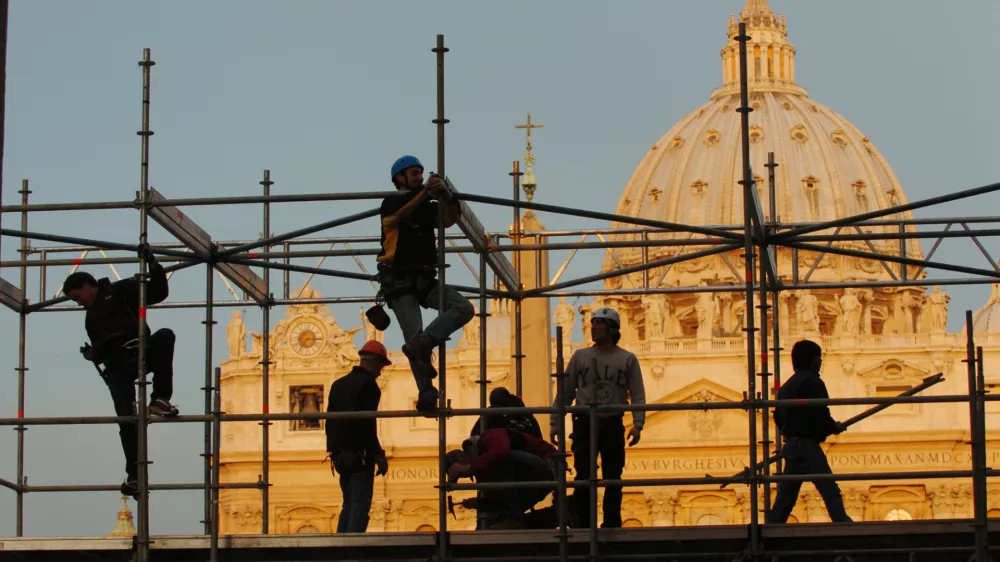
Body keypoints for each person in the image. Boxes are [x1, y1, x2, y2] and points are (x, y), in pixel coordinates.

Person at [62, 243, 179, 500]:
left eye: (76, 297)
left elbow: (157, 292)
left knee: (165, 336)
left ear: (86, 286)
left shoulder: (120, 292)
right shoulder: (90, 318)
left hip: (138, 351)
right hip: (117, 367)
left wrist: (153, 264)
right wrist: (94, 352)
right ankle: (136, 475)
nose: (78, 302)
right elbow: (103, 344)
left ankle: (160, 398)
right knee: (126, 420)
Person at [376, 155, 475, 414]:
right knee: (412, 334)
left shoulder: (425, 203)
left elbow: (448, 219)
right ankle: (426, 392)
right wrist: (425, 192)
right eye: (414, 173)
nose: (419, 177)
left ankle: (425, 343)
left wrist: (447, 196)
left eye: (421, 173)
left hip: (423, 278)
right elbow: (394, 217)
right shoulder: (392, 201)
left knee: (462, 308)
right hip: (398, 280)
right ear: (400, 178)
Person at [549, 307, 646, 529]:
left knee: (613, 475)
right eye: (592, 324)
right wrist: (555, 422)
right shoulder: (580, 356)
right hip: (583, 422)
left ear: (612, 329)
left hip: (613, 422)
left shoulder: (627, 359)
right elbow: (565, 393)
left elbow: (638, 394)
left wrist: (638, 424)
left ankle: (611, 523)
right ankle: (585, 524)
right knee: (583, 475)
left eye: (598, 325)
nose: (593, 329)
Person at [767, 339, 852, 524]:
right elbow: (820, 412)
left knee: (786, 496)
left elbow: (778, 417)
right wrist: (833, 427)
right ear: (812, 360)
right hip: (807, 445)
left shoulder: (786, 387)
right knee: (829, 489)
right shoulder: (813, 382)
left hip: (791, 444)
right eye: (819, 357)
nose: (820, 361)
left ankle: (771, 527)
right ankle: (843, 523)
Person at [326, 340, 392, 533]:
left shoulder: (338, 384)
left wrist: (334, 450)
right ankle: (353, 546)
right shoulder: (369, 385)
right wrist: (378, 455)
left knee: (348, 503)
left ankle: (341, 545)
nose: (381, 371)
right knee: (360, 504)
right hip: (360, 455)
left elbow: (330, 422)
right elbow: (367, 425)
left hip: (340, 454)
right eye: (381, 365)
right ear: (373, 362)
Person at [446, 427, 559, 530]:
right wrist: (480, 504)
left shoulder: (489, 436)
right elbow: (500, 502)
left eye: (461, 474)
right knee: (499, 518)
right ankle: (552, 516)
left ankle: (514, 519)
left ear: (462, 457)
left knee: (500, 460)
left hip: (548, 464)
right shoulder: (484, 471)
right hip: (535, 477)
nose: (466, 477)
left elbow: (501, 451)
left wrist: (471, 467)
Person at [470, 387, 543, 440]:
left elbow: (475, 436)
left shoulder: (491, 412)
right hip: (533, 453)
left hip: (506, 453)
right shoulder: (525, 412)